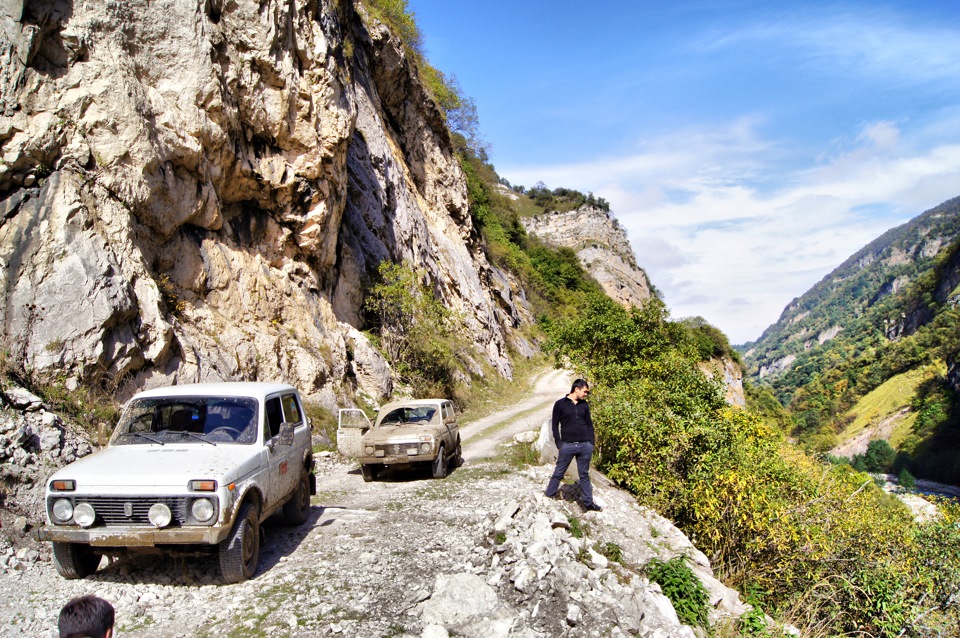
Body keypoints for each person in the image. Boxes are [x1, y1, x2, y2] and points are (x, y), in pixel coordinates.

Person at [544, 379, 602, 512]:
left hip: (584, 446)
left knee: (584, 475)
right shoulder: (560, 404)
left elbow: (589, 424)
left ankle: (588, 504)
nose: (586, 394)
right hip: (567, 445)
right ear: (577, 389)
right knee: (559, 472)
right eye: (585, 391)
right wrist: (559, 443)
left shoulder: (584, 405)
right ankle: (548, 496)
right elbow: (554, 425)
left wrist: (591, 443)